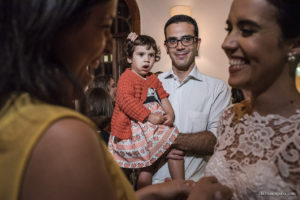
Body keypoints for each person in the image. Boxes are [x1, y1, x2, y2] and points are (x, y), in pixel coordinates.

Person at [0, 0, 233, 200]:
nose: (108, 46)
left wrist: (152, 193)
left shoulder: (16, 114)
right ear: (59, 31)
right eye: (103, 27)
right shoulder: (63, 134)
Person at [204, 0, 300, 199]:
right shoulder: (230, 118)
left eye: (247, 30)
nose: (226, 43)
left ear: (294, 44)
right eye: (229, 28)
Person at [153, 15, 231, 184]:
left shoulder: (217, 88)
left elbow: (216, 140)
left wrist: (166, 140)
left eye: (186, 39)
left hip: (197, 188)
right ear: (166, 47)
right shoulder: (152, 85)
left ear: (198, 43)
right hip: (156, 188)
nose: (180, 46)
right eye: (173, 41)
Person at [109, 34, 184, 189]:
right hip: (137, 127)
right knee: (146, 165)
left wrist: (170, 114)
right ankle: (145, 194)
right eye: (141, 55)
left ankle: (181, 186)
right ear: (130, 58)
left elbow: (163, 97)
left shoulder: (152, 78)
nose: (147, 59)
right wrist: (148, 116)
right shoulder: (126, 78)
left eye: (151, 55)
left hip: (154, 125)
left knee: (175, 149)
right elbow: (125, 101)